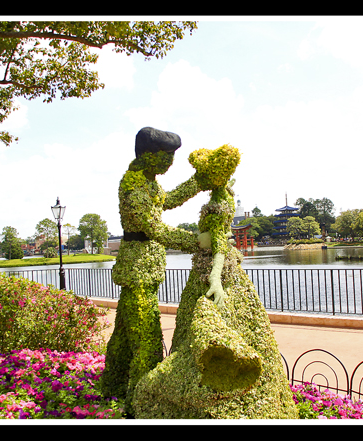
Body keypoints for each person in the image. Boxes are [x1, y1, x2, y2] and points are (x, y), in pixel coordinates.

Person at [131, 144, 298, 419]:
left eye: (203, 175)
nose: (199, 179)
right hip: (207, 267)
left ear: (213, 176)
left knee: (213, 321)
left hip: (212, 270)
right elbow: (174, 201)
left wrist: (215, 277)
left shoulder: (220, 203)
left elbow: (219, 242)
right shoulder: (220, 195)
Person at [99, 127, 209, 411]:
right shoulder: (134, 185)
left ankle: (111, 389)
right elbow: (154, 228)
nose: (170, 162)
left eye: (172, 156)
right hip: (137, 272)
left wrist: (198, 181)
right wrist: (198, 242)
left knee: (124, 338)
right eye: (165, 156)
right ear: (148, 155)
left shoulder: (149, 183)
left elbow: (167, 200)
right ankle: (142, 404)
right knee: (147, 343)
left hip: (144, 272)